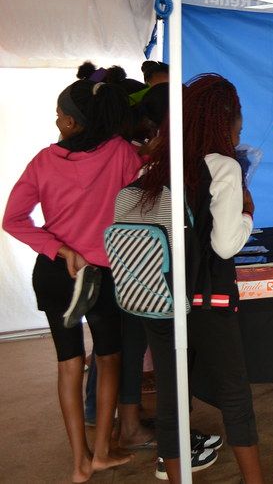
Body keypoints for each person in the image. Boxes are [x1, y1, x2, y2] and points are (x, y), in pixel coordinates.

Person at [118, 73, 264, 482]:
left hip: (159, 299)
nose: (241, 129)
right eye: (239, 120)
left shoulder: (154, 170)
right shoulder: (224, 167)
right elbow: (225, 245)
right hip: (207, 301)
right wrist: (248, 212)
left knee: (171, 397)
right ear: (227, 121)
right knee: (235, 394)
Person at [3, 78, 140, 482]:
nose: (56, 117)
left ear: (72, 123)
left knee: (68, 364)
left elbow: (12, 220)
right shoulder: (120, 153)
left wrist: (59, 249)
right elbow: (142, 200)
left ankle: (78, 463)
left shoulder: (43, 161)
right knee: (109, 358)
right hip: (102, 274)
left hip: (55, 273)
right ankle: (101, 453)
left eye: (61, 112)